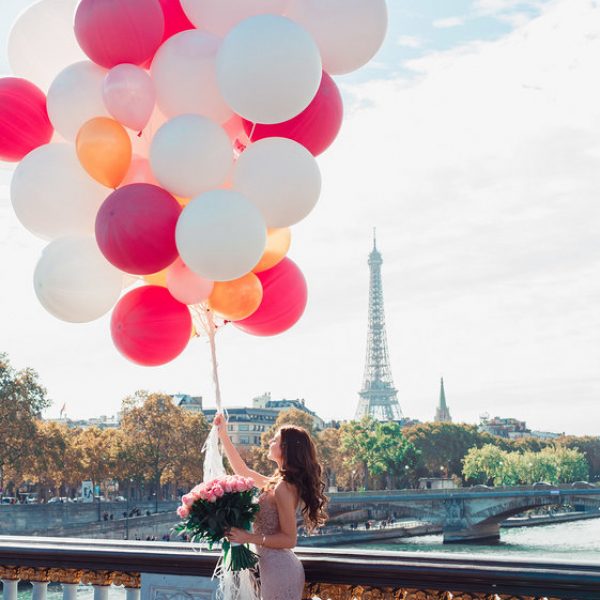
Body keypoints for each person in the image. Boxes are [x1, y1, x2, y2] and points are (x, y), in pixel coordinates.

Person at [213, 414, 327, 600]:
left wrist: (248, 537)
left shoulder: (283, 487)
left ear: (285, 449)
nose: (269, 442)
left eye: (274, 439)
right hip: (274, 569)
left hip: (280, 570)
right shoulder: (279, 483)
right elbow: (243, 472)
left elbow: (289, 539)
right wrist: (223, 435)